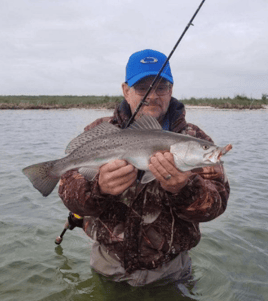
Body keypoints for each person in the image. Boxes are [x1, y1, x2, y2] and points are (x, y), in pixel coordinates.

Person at [58, 49, 230, 286]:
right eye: (142, 88)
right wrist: (99, 188)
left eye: (161, 87)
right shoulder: (98, 130)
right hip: (107, 264)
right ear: (125, 91)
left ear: (171, 90)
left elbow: (216, 206)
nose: (152, 96)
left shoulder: (194, 137)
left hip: (171, 270)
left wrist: (185, 189)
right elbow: (69, 195)